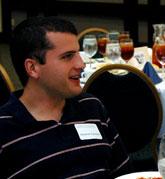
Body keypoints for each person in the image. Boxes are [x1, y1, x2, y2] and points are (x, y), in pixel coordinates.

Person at [0, 17, 133, 178]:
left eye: (78, 53)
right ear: (32, 68)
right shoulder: (5, 128)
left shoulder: (91, 106)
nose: (81, 64)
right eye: (68, 56)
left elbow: (124, 174)